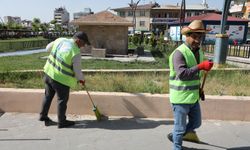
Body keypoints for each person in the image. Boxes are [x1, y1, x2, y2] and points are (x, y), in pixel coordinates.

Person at [167, 20, 213, 150]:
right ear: (187, 36)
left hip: (193, 97)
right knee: (180, 127)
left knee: (196, 122)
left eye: (200, 37)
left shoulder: (198, 51)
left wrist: (200, 90)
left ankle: (176, 135)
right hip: (180, 98)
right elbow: (182, 74)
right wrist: (200, 66)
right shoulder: (179, 53)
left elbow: (196, 76)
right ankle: (177, 145)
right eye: (195, 37)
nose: (198, 40)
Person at [39, 31, 90, 128]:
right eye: (83, 43)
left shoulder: (60, 40)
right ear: (78, 40)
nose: (83, 46)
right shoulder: (75, 52)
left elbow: (47, 48)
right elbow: (77, 70)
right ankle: (62, 122)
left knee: (48, 96)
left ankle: (43, 116)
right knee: (62, 100)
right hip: (61, 80)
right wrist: (81, 80)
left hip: (49, 74)